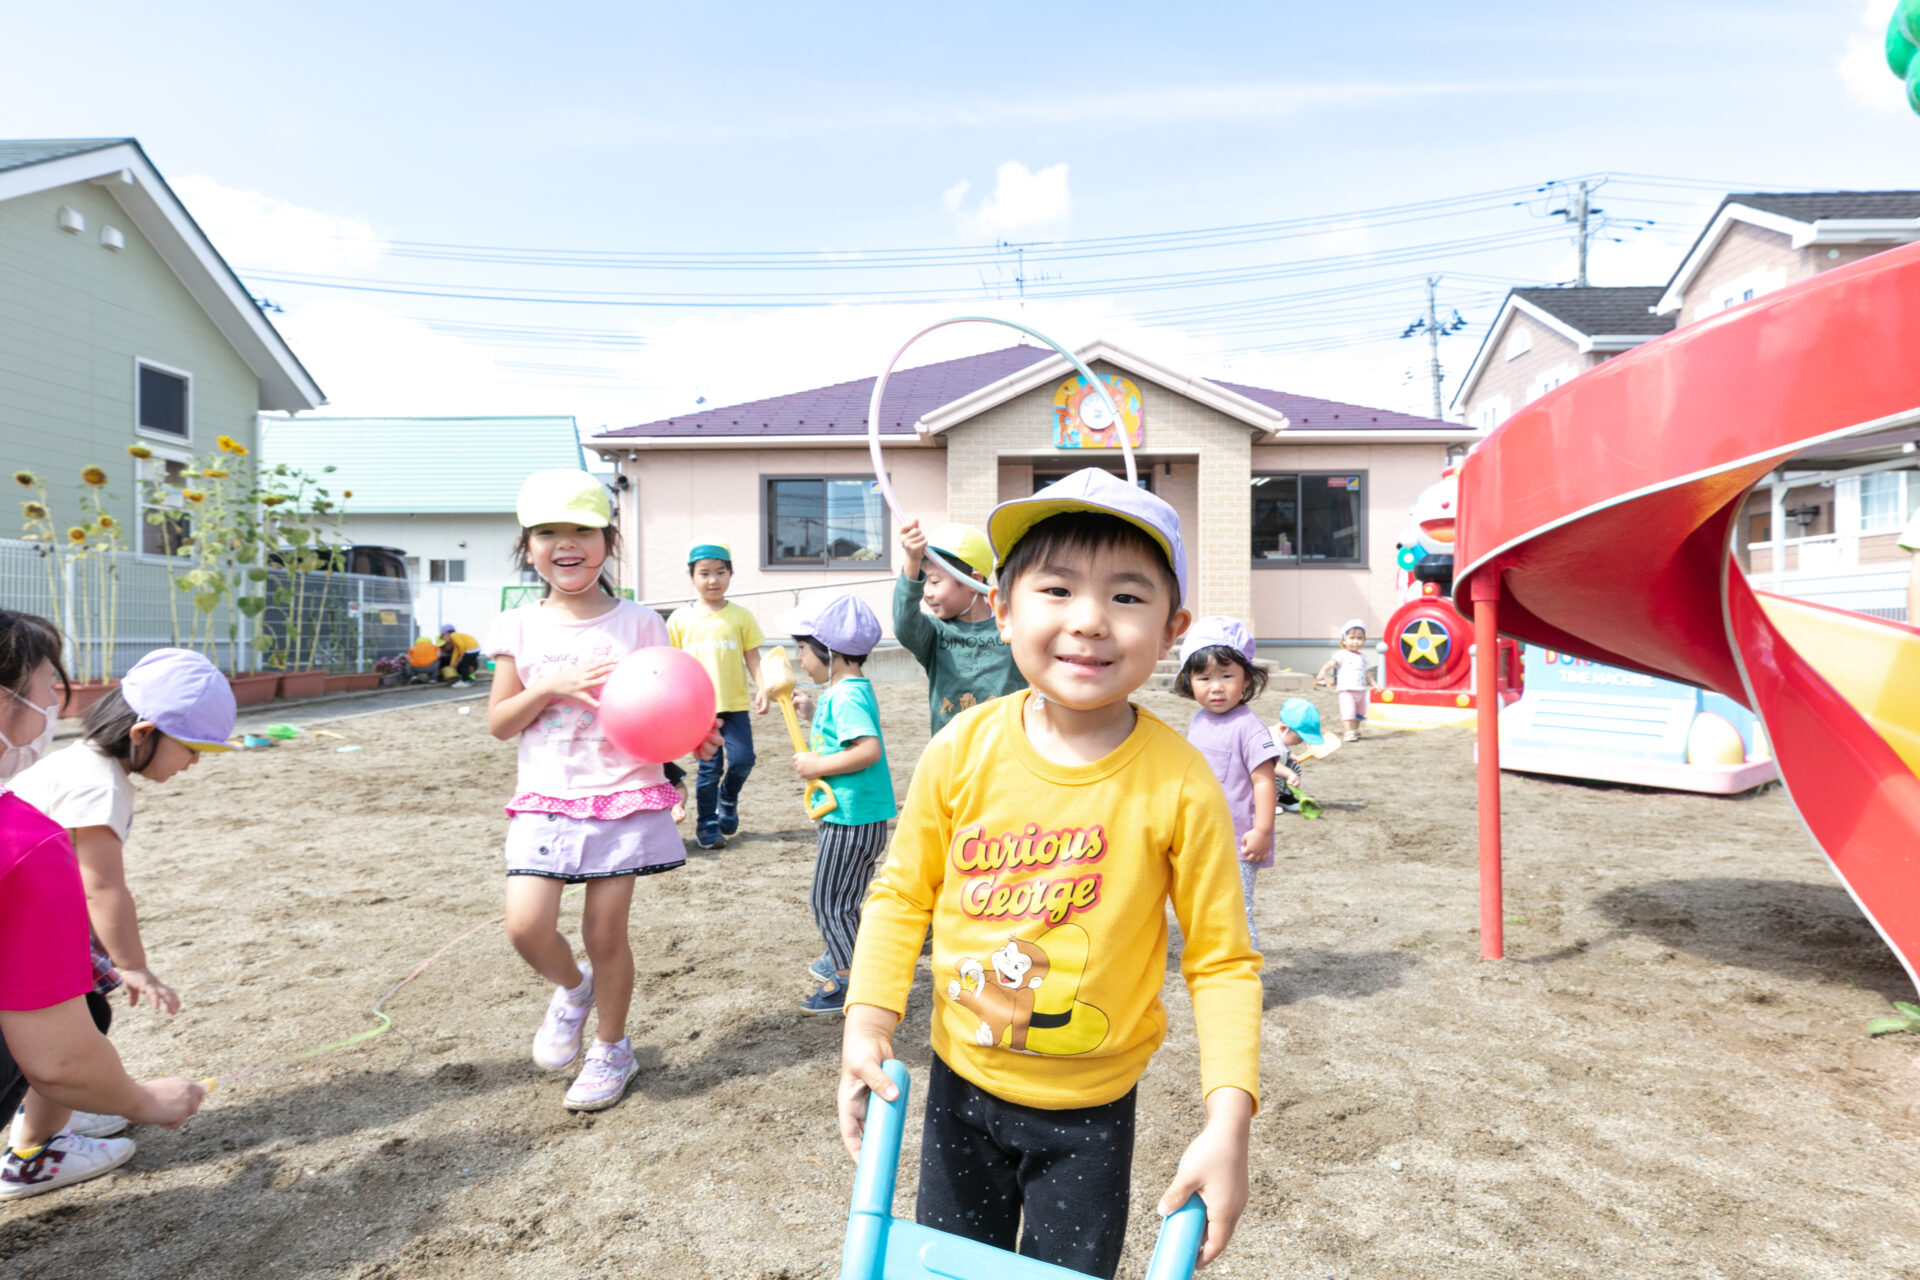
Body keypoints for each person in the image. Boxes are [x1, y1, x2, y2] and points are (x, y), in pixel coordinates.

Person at [838, 469, 1263, 1278]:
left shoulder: (1180, 784)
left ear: (1172, 628)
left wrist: (1228, 1119)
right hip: (959, 1085)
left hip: (1093, 1114)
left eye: (1128, 598)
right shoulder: (961, 750)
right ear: (1002, 609)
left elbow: (1223, 962)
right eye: (1058, 589)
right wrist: (868, 1022)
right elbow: (901, 895)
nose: (1090, 621)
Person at [483, 471, 721, 1113]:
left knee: (605, 933)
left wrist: (694, 736)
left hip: (624, 795)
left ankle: (612, 1048)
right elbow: (500, 723)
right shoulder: (519, 626)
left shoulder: (641, 622)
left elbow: (664, 704)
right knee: (525, 926)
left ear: (607, 540)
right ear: (528, 545)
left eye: (582, 531)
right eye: (549, 533)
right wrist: (549, 688)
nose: (568, 544)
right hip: (544, 798)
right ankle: (572, 989)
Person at [0, 610, 204, 1201]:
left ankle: (75, 1110)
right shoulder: (78, 799)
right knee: (81, 1023)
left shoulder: (65, 770)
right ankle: (34, 1153)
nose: (55, 709)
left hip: (37, 926)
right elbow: (103, 887)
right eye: (47, 687)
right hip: (41, 935)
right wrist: (143, 1100)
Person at [777, 595, 896, 1016]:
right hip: (854, 815)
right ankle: (842, 951)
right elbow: (839, 736)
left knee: (829, 902)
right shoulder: (843, 690)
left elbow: (867, 750)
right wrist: (811, 714)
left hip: (851, 818)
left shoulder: (846, 696)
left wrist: (817, 765)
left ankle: (848, 980)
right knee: (842, 896)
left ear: (832, 653)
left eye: (804, 650)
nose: (800, 659)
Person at [1173, 617, 1279, 949]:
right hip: (1205, 838)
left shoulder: (1250, 727)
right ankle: (1216, 966)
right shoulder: (1198, 720)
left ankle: (1244, 976)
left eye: (1227, 676)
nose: (1216, 687)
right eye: (1204, 677)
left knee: (1236, 910)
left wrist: (1262, 831)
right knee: (1205, 906)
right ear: (1190, 683)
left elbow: (1264, 781)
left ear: (1246, 679)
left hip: (1240, 843)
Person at [667, 541, 768, 850]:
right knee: (708, 770)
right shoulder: (680, 619)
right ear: (692, 577)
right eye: (705, 573)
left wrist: (762, 687)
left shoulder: (741, 616)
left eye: (720, 572)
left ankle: (729, 796)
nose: (713, 580)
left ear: (730, 574)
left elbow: (753, 657)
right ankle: (707, 825)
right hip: (699, 710)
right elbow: (671, 664)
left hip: (734, 704)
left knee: (743, 760)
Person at [893, 519, 1027, 735]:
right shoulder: (933, 634)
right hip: (952, 753)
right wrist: (911, 561)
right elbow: (904, 623)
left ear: (972, 581)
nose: (926, 592)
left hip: (1004, 749)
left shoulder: (1012, 628)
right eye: (923, 581)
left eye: (935, 582)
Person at [1315, 617, 1375, 742]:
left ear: (1364, 640)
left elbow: (1367, 673)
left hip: (1360, 690)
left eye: (1359, 638)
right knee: (1349, 712)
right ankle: (1348, 732)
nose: (1355, 642)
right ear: (1344, 640)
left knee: (1360, 713)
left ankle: (1355, 730)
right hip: (1346, 690)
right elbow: (1331, 663)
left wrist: (1374, 684)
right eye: (1352, 638)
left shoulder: (1363, 657)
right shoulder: (1342, 654)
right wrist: (1323, 671)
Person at [1271, 697, 1318, 815]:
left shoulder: (1282, 738)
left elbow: (1282, 751)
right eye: (1299, 738)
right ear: (1283, 729)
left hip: (1276, 765)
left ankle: (1285, 797)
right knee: (1273, 775)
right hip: (1258, 776)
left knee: (1294, 766)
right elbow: (1270, 764)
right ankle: (1267, 802)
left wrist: (1289, 755)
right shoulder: (1270, 739)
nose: (1300, 742)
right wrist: (1289, 774)